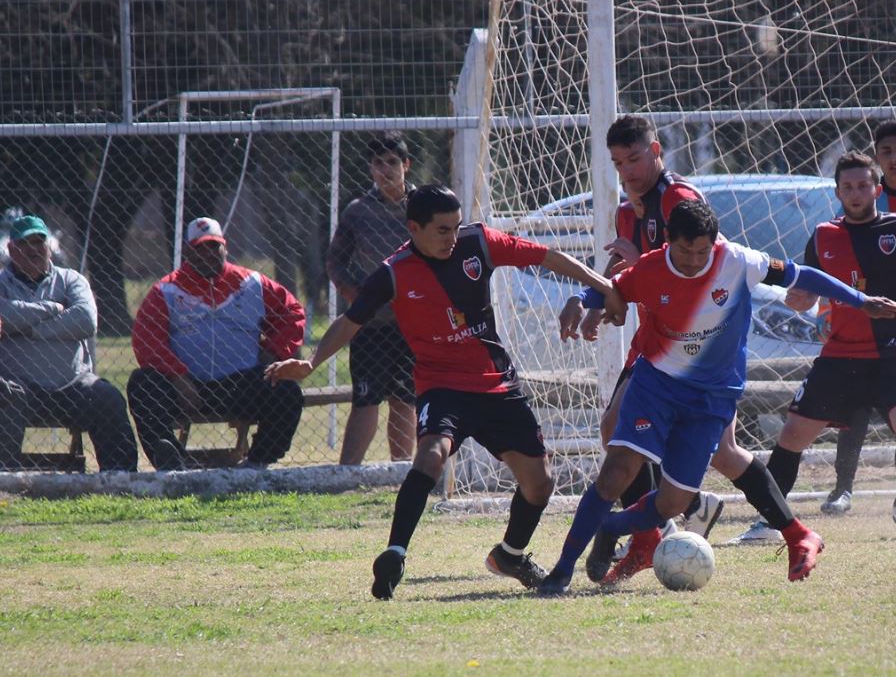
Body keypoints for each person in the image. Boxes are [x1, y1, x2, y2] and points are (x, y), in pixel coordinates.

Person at [537, 199, 896, 596]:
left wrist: (859, 300)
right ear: (667, 242)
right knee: (616, 472)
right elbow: (608, 290)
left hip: (711, 396)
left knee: (673, 503)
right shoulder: (648, 269)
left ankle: (613, 527)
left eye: (704, 251)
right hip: (656, 385)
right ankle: (561, 571)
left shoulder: (738, 261)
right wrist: (580, 301)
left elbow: (802, 275)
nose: (696, 260)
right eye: (686, 251)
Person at [266, 185, 616, 600]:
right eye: (442, 230)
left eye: (455, 227)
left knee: (540, 485)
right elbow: (349, 321)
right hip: (442, 386)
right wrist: (311, 363)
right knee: (431, 454)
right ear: (414, 228)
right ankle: (395, 552)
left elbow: (548, 257)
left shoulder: (479, 243)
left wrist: (605, 286)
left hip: (496, 384)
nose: (453, 237)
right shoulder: (393, 272)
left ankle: (511, 555)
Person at [732, 152, 896, 541]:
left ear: (877, 188)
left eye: (862, 186)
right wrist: (799, 299)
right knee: (792, 435)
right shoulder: (824, 236)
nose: (855, 193)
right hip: (841, 353)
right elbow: (806, 289)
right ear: (838, 192)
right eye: (847, 187)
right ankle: (772, 520)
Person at [556, 115, 724, 583]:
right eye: (617, 162)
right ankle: (675, 516)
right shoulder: (628, 211)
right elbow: (622, 270)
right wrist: (593, 301)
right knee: (617, 431)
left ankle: (678, 514)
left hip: (692, 341)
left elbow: (704, 265)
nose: (626, 170)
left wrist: (639, 268)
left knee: (705, 448)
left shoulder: (679, 200)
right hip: (654, 339)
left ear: (656, 153)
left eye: (634, 158)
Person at [129, 217, 306, 470]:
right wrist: (177, 376)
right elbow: (147, 339)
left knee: (286, 390)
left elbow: (292, 314)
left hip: (241, 383)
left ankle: (258, 463)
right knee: (142, 383)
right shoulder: (165, 291)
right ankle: (169, 461)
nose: (207, 254)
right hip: (188, 388)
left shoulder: (253, 283)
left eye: (213, 247)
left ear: (225, 247)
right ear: (187, 252)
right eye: (199, 249)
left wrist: (274, 352)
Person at [0, 214, 138, 471]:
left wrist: (27, 330)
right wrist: (51, 308)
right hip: (17, 388)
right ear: (11, 249)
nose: (33, 249)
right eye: (25, 243)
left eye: (39, 242)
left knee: (107, 397)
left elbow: (86, 320)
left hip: (71, 384)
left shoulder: (71, 280)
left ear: (48, 246)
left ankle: (121, 478)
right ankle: (4, 479)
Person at [325, 132, 418, 465]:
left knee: (405, 399)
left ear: (406, 165)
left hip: (412, 323)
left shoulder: (421, 207)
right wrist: (356, 295)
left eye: (393, 162)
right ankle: (347, 473)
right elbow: (335, 261)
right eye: (378, 163)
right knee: (365, 399)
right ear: (370, 169)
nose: (386, 170)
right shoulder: (357, 212)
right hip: (370, 324)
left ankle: (401, 471)